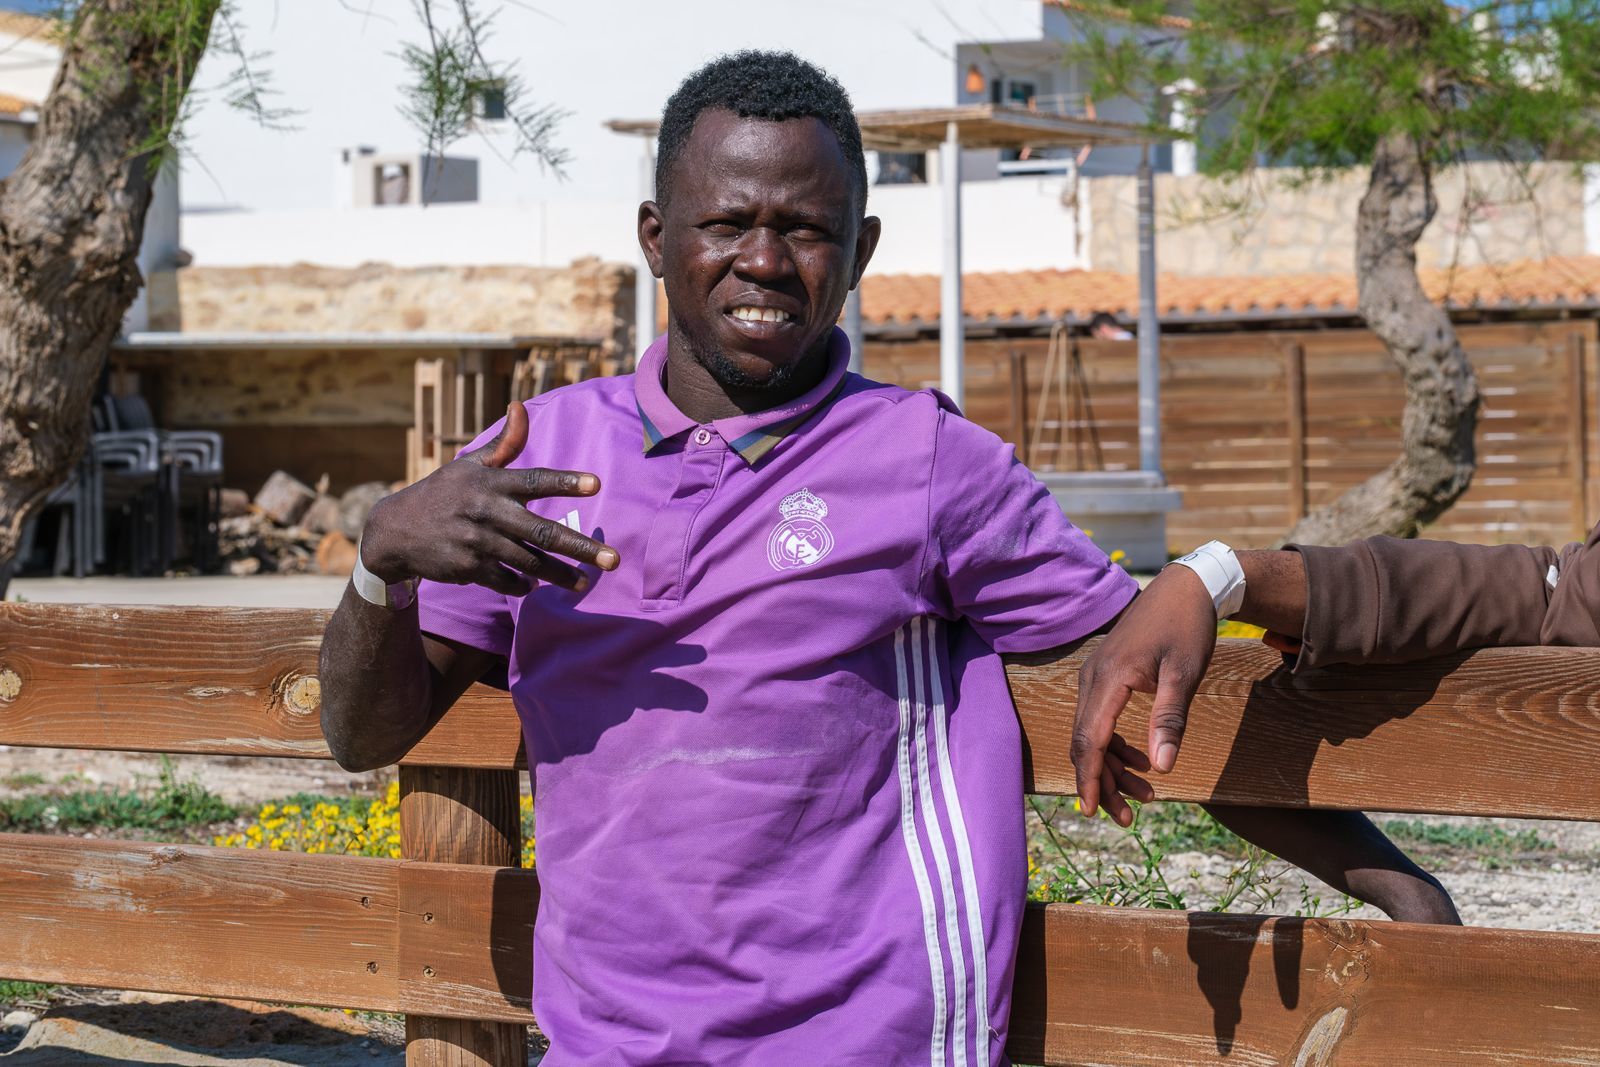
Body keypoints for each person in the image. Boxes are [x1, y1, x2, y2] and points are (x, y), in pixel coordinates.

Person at [319, 51, 1448, 1067]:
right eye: (727, 222)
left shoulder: (926, 461)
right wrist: (384, 563)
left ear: (859, 249)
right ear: (657, 237)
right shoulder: (535, 455)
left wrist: (1397, 886)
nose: (765, 260)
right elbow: (364, 733)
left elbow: (1147, 680)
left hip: (868, 1038)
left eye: (806, 229)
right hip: (604, 1042)